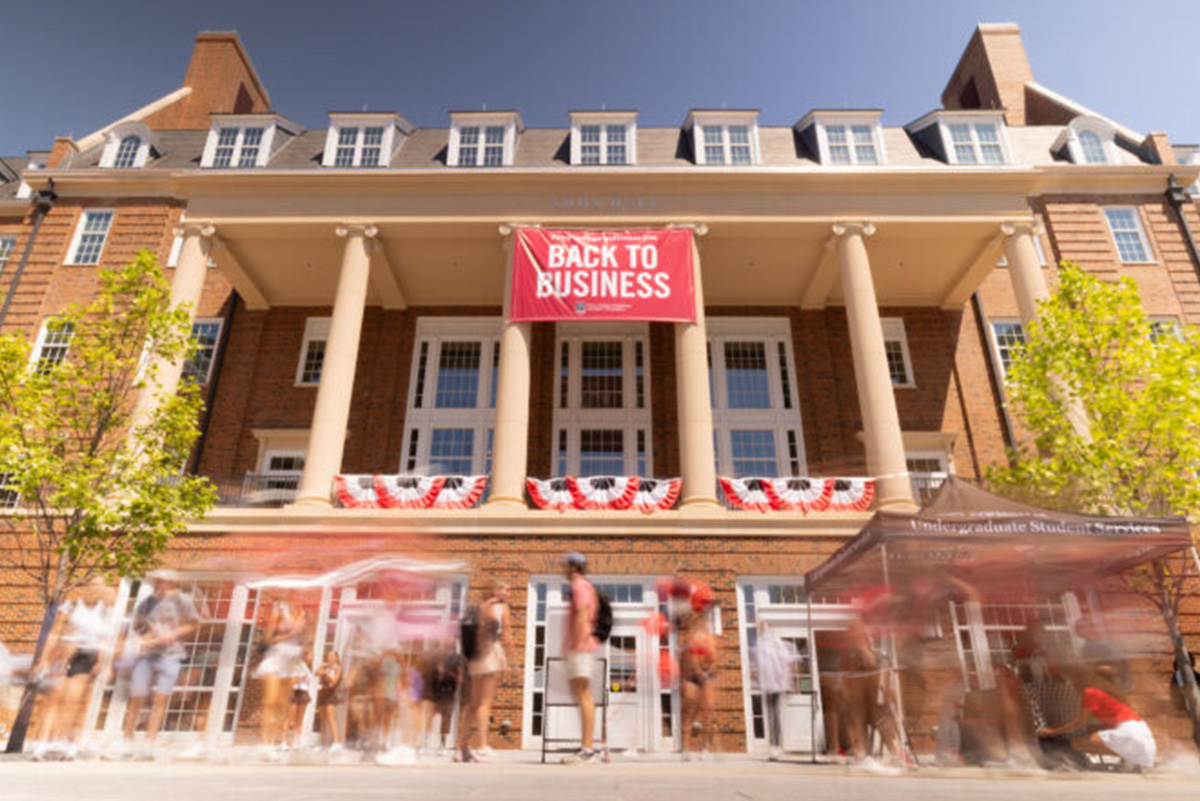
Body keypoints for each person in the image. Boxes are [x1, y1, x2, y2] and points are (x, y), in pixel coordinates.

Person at [32, 577, 117, 760]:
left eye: (100, 587)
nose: (96, 591)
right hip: (65, 653)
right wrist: (43, 659)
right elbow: (55, 633)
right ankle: (42, 743)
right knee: (53, 700)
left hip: (87, 656)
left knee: (73, 700)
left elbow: (106, 640)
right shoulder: (71, 607)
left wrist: (104, 664)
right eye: (93, 586)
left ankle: (67, 743)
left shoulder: (106, 612)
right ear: (86, 588)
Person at [119, 570, 200, 758]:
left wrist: (173, 635)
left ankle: (149, 743)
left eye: (162, 582)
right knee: (136, 696)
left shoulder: (182, 601)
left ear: (171, 583)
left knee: (161, 699)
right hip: (147, 654)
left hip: (171, 655)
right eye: (156, 582)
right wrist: (146, 637)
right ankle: (127, 741)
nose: (158, 585)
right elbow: (137, 625)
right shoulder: (147, 602)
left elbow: (194, 624)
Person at [1037, 667, 1156, 771]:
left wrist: (1054, 731)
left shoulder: (1090, 692)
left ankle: (1129, 757)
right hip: (1141, 730)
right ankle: (1131, 758)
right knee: (1089, 740)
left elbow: (1079, 721)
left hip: (1128, 732)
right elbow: (1095, 719)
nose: (1071, 684)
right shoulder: (1107, 692)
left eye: (1072, 680)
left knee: (1077, 743)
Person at [457, 580, 511, 762]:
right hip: (491, 655)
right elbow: (507, 636)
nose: (507, 592)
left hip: (475, 657)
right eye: (504, 588)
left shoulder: (478, 607)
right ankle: (481, 747)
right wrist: (512, 660)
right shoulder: (501, 608)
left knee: (472, 703)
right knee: (485, 703)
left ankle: (461, 748)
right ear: (494, 590)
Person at [253, 591, 308, 754]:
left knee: (283, 705)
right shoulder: (279, 609)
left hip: (292, 660)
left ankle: (274, 742)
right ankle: (265, 742)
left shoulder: (303, 613)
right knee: (270, 702)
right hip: (276, 657)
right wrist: (292, 633)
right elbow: (268, 639)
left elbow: (304, 640)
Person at [560, 552, 599, 765]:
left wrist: (575, 643)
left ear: (574, 567)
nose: (562, 569)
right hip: (581, 646)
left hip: (581, 646)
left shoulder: (579, 586)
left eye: (565, 565)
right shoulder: (584, 585)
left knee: (583, 695)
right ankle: (586, 746)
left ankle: (587, 750)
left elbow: (583, 614)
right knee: (581, 695)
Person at [679, 597, 718, 758]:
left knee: (708, 711)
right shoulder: (687, 639)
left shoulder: (708, 638)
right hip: (690, 677)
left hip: (706, 676)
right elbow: (683, 659)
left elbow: (714, 659)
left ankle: (707, 747)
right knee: (688, 711)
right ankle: (686, 748)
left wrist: (705, 671)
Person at [754, 621, 798, 761]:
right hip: (767, 685)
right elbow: (758, 664)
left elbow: (788, 659)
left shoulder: (775, 642)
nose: (761, 629)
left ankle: (777, 747)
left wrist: (789, 681)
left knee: (775, 717)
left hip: (776, 684)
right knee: (771, 716)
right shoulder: (760, 644)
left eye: (762, 627)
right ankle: (773, 746)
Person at [422, 641, 464, 755]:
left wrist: (446, 673)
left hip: (448, 691)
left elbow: (460, 679)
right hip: (433, 690)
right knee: (429, 716)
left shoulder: (456, 658)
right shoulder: (434, 657)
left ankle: (443, 743)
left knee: (446, 718)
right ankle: (424, 742)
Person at [314, 649, 345, 752]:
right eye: (328, 656)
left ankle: (336, 742)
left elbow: (334, 681)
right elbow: (316, 673)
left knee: (330, 718)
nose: (330, 658)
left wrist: (326, 673)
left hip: (331, 694)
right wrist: (321, 668)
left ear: (336, 658)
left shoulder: (339, 668)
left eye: (332, 656)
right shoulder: (325, 667)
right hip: (322, 693)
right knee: (322, 720)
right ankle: (323, 744)